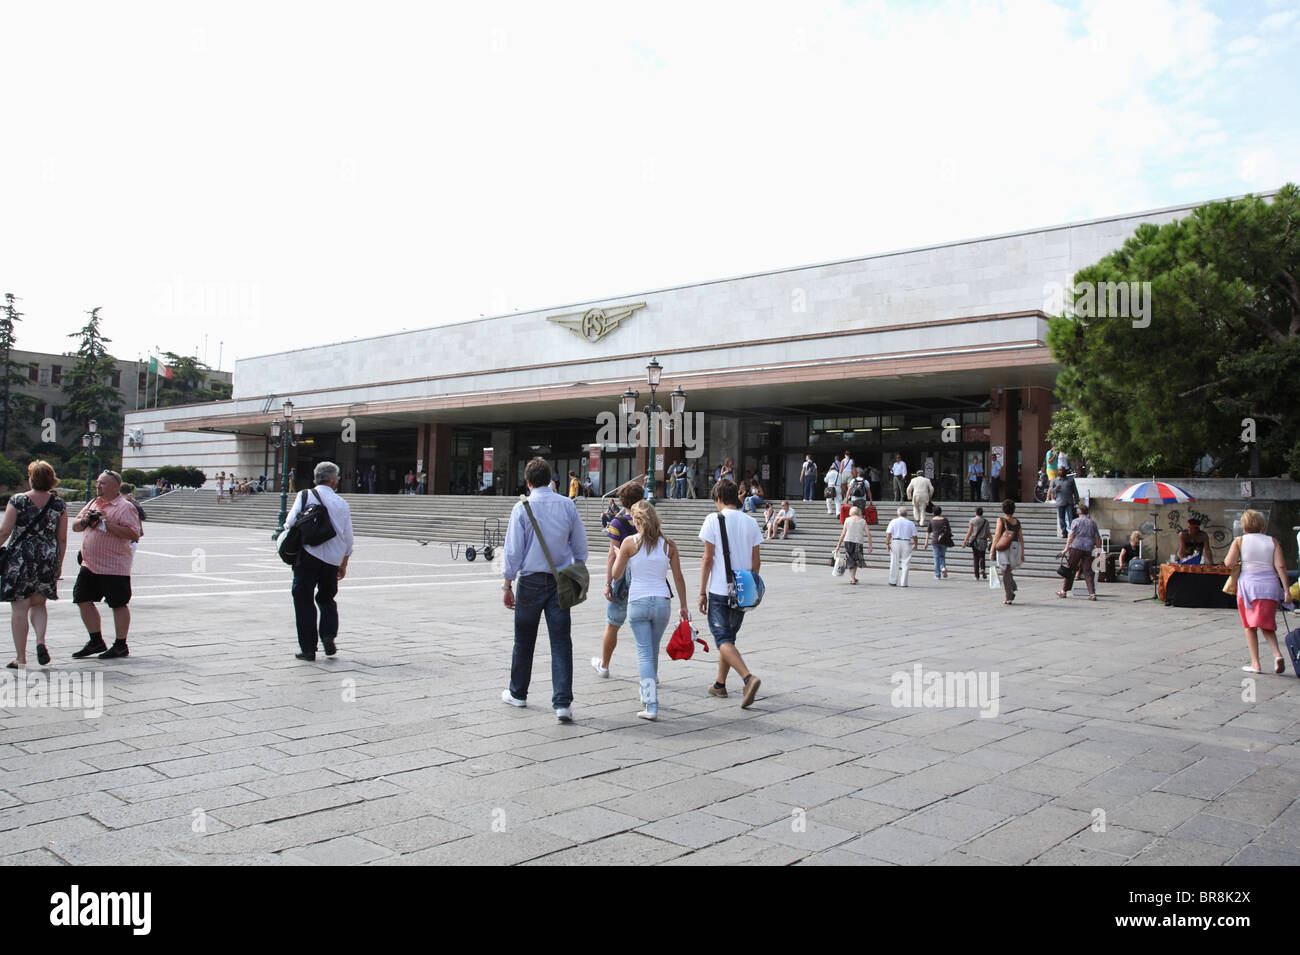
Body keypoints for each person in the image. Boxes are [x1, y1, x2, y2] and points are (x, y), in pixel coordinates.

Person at [501, 457, 588, 722]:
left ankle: (518, 693)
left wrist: (507, 583)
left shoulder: (522, 508)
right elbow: (581, 548)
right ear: (552, 479)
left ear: (528, 482)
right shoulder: (567, 506)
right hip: (561, 581)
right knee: (561, 641)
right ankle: (562, 703)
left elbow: (513, 551)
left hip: (530, 581)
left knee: (523, 640)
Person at [608, 501, 690, 720]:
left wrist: (617, 555)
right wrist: (684, 606)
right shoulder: (669, 545)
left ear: (636, 521)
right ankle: (646, 695)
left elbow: (616, 575)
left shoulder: (629, 543)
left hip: (639, 602)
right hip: (663, 602)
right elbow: (678, 577)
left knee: (644, 653)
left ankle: (651, 704)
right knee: (652, 650)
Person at [698, 479, 763, 708]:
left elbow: (707, 559)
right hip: (743, 590)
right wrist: (750, 584)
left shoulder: (712, 520)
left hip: (718, 589)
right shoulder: (751, 522)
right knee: (729, 638)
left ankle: (747, 678)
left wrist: (702, 592)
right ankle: (720, 684)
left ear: (718, 498)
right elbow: (756, 562)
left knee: (722, 638)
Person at [282, 461, 354, 661]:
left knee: (303, 599)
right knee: (326, 598)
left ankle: (308, 649)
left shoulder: (305, 496)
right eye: (337, 477)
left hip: (307, 556)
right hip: (332, 560)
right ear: (332, 479)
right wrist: (344, 563)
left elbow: (289, 523)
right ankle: (329, 635)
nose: (338, 480)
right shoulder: (342, 503)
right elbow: (348, 537)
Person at [0, 461, 67, 668]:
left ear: (31, 478)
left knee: (20, 608)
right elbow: (62, 538)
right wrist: (59, 565)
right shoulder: (59, 504)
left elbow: (5, 531)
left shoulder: (18, 500)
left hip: (21, 559)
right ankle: (40, 641)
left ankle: (20, 658)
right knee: (39, 604)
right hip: (46, 558)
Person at [70, 470, 142, 661]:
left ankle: (120, 644)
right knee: (82, 599)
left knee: (118, 603)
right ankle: (96, 640)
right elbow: (75, 525)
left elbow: (134, 534)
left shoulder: (125, 507)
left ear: (115, 486)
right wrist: (86, 520)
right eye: (98, 482)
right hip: (90, 564)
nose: (98, 486)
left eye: (102, 483)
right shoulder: (94, 503)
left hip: (114, 565)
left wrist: (106, 524)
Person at [1224, 509, 1293, 674]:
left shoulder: (1239, 541)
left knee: (1250, 625)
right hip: (1270, 587)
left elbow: (1228, 562)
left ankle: (1256, 663)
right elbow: (1281, 567)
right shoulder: (1273, 542)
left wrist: (1240, 560)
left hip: (1248, 587)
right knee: (1266, 623)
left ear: (1244, 525)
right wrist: (1286, 591)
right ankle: (1277, 654)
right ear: (1261, 524)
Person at [593, 482, 644, 679]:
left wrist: (608, 583)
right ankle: (649, 672)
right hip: (645, 579)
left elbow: (612, 556)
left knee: (613, 623)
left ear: (623, 501)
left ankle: (604, 666)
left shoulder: (617, 523)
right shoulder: (649, 521)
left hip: (623, 578)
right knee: (643, 629)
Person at [1057, 502, 1101, 600]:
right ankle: (1092, 593)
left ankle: (1064, 591)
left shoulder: (1075, 521)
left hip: (1076, 547)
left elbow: (1071, 536)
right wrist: (1099, 550)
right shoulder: (1092, 523)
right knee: (1089, 571)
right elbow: (1098, 538)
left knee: (1070, 569)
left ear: (1079, 512)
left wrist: (1066, 548)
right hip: (1089, 548)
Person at [993, 499, 1024, 605]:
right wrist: (1023, 552)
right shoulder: (1017, 521)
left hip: (1004, 546)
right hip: (1015, 546)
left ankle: (1009, 595)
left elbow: (997, 535)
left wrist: (992, 549)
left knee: (1005, 571)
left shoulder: (1001, 520)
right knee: (1008, 570)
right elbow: (1021, 537)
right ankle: (1012, 587)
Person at [834, 505, 872, 585]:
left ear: (851, 512)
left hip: (848, 541)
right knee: (856, 560)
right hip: (858, 542)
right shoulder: (862, 521)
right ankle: (853, 578)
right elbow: (868, 534)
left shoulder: (847, 520)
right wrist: (870, 546)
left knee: (850, 559)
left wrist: (838, 545)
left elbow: (843, 533)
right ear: (858, 512)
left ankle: (853, 578)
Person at [885, 506, 918, 587]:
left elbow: (889, 533)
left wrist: (887, 543)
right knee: (906, 563)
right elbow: (915, 536)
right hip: (906, 542)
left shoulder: (893, 521)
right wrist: (915, 544)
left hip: (895, 541)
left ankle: (893, 581)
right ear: (906, 514)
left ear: (898, 513)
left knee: (894, 562)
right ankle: (904, 582)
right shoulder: (910, 523)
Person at [923, 505, 953, 579]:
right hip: (944, 540)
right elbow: (949, 530)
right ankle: (943, 567)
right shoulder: (945, 520)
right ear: (940, 512)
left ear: (933, 512)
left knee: (936, 557)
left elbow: (928, 532)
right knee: (942, 556)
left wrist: (926, 541)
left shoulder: (931, 520)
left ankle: (937, 575)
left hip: (935, 540)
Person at [962, 506, 990, 580]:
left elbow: (970, 531)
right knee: (982, 556)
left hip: (975, 541)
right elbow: (988, 532)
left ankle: (977, 575)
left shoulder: (972, 520)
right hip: (983, 540)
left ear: (976, 512)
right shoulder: (985, 521)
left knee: (975, 558)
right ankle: (983, 569)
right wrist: (993, 541)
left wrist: (965, 541)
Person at [1049, 468, 1078, 538]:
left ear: (1065, 472)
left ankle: (1072, 532)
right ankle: (1064, 532)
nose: (1061, 471)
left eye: (1062, 470)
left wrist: (1077, 499)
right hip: (1060, 502)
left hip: (1069, 502)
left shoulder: (1070, 480)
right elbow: (1051, 491)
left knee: (1071, 517)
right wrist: (1056, 488)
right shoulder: (1055, 480)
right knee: (1061, 518)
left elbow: (1075, 490)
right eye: (1060, 470)